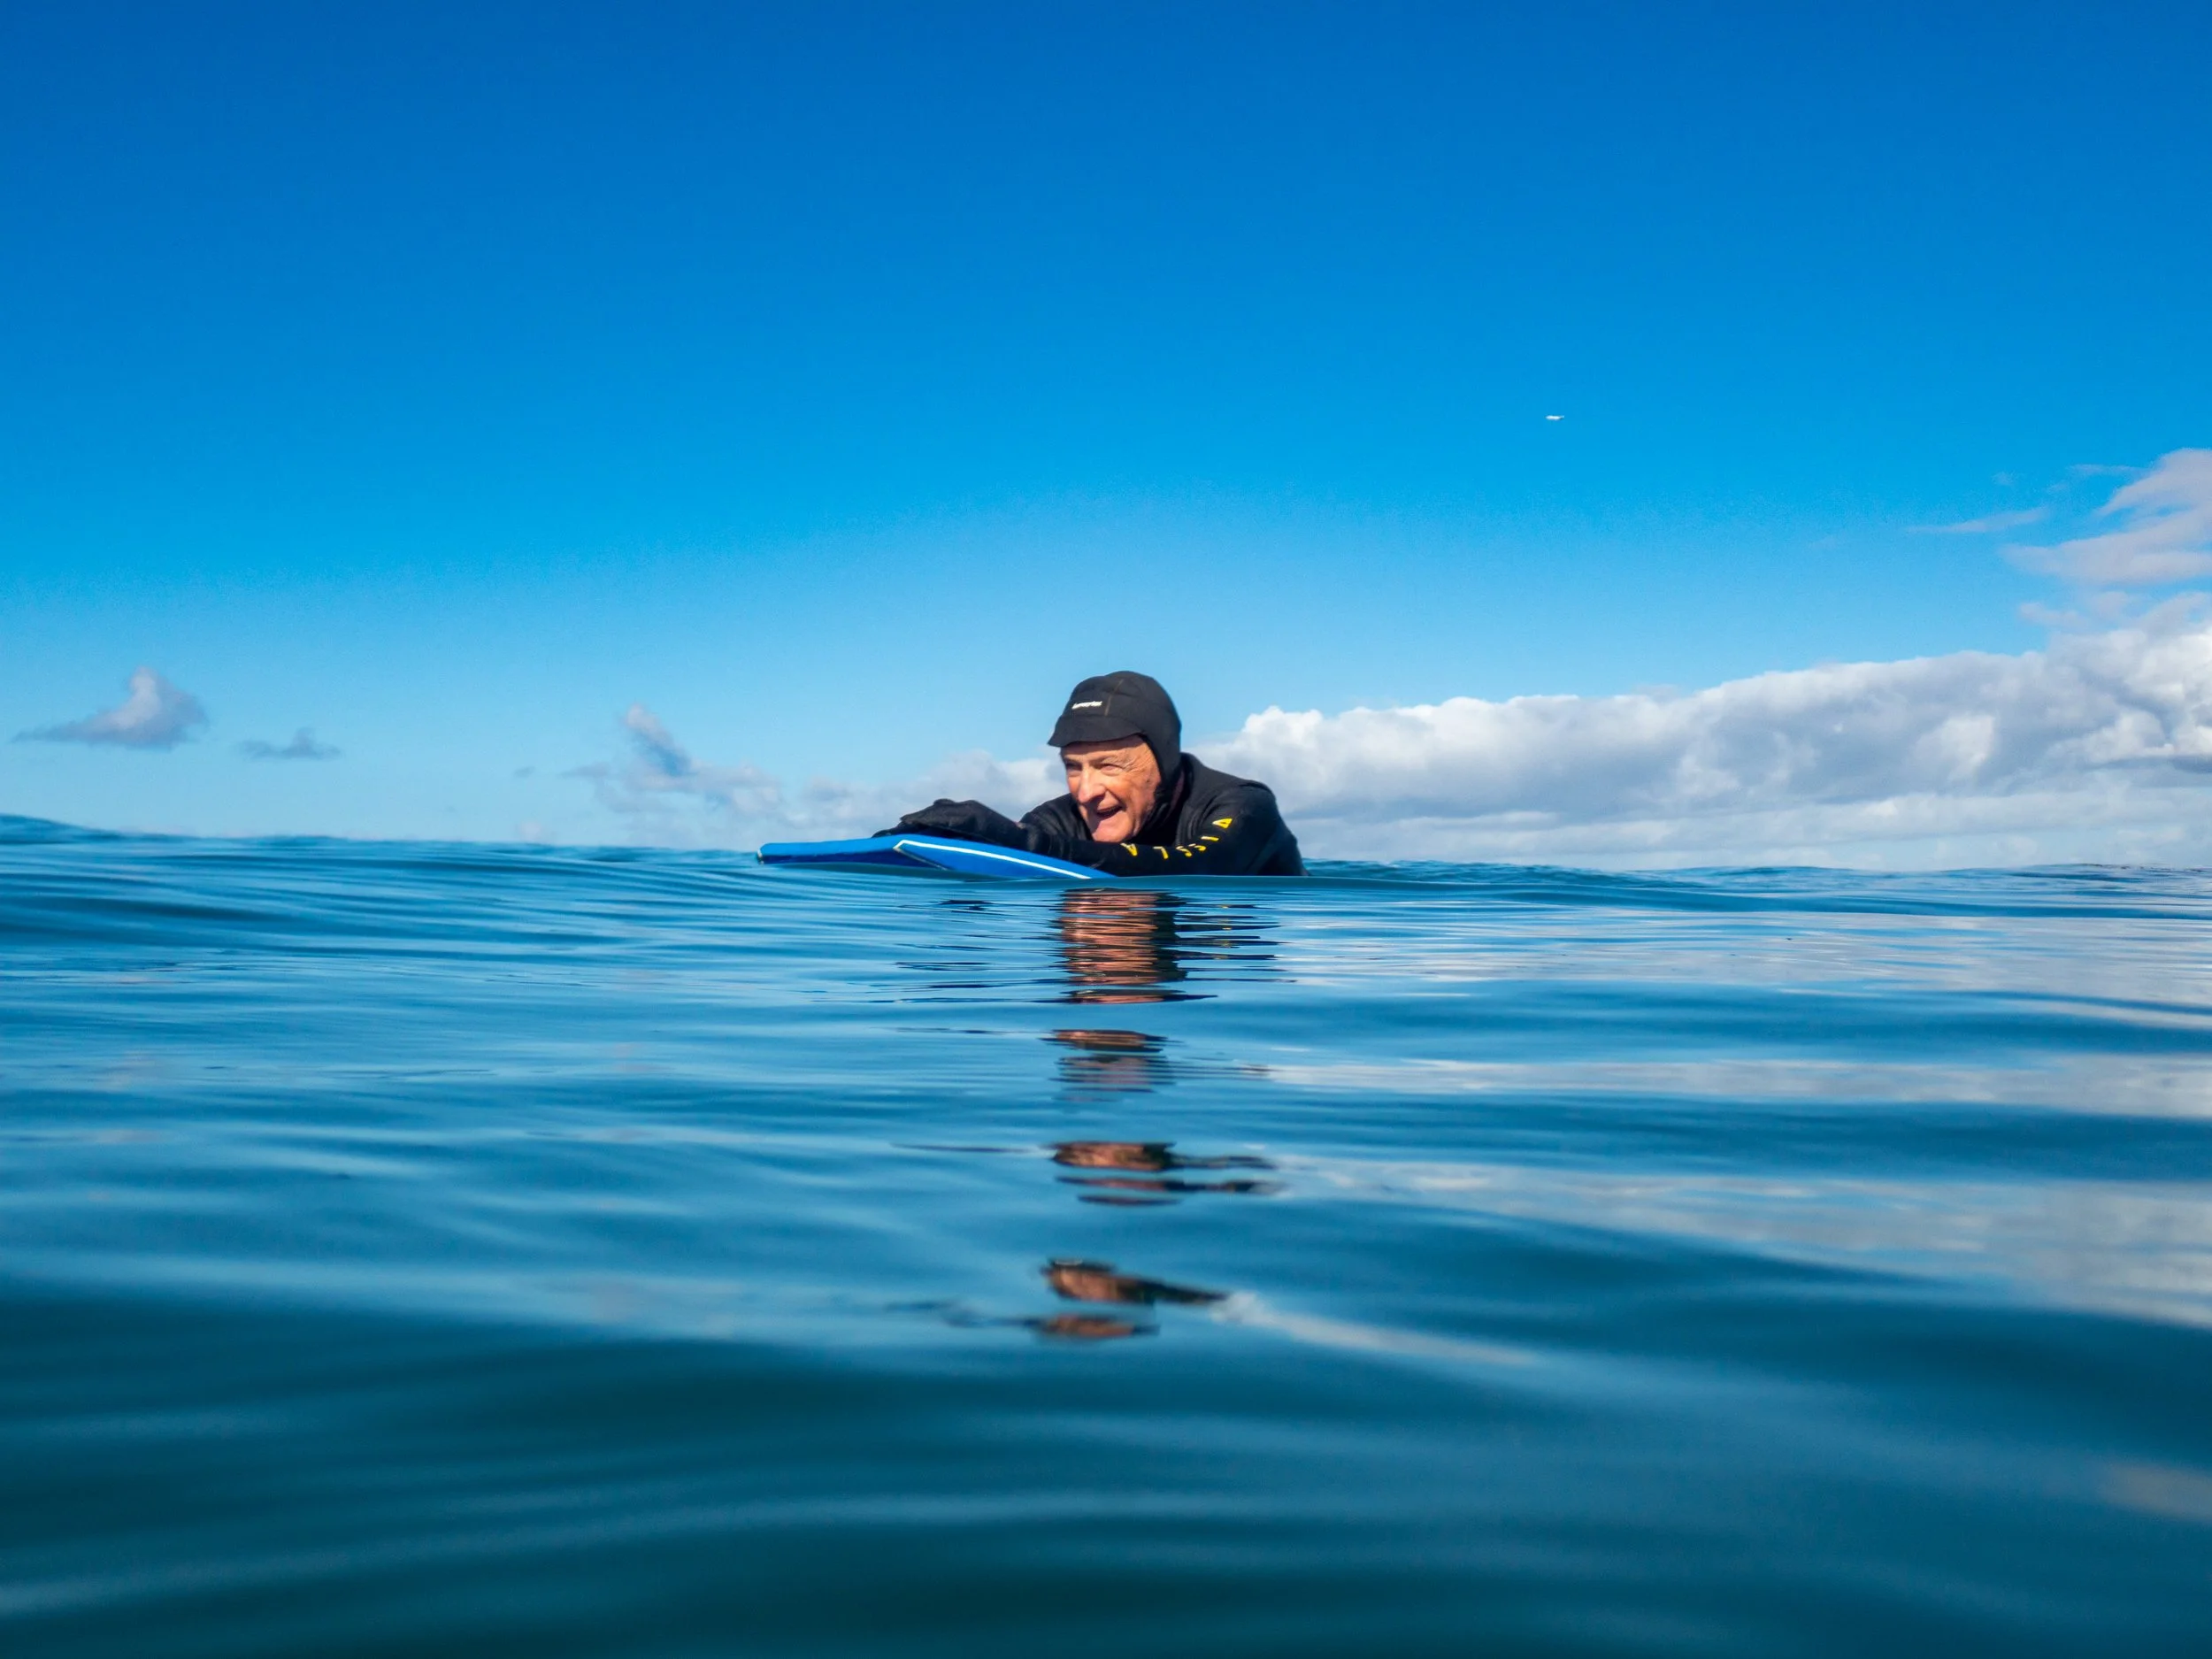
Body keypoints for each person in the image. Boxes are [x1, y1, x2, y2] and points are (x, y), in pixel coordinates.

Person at [881, 671, 1305, 876]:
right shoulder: (1060, 819)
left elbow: (1206, 867)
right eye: (1073, 768)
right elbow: (1018, 864)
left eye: (1108, 767)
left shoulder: (1243, 805)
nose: (1086, 792)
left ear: (1164, 763)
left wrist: (1019, 842)